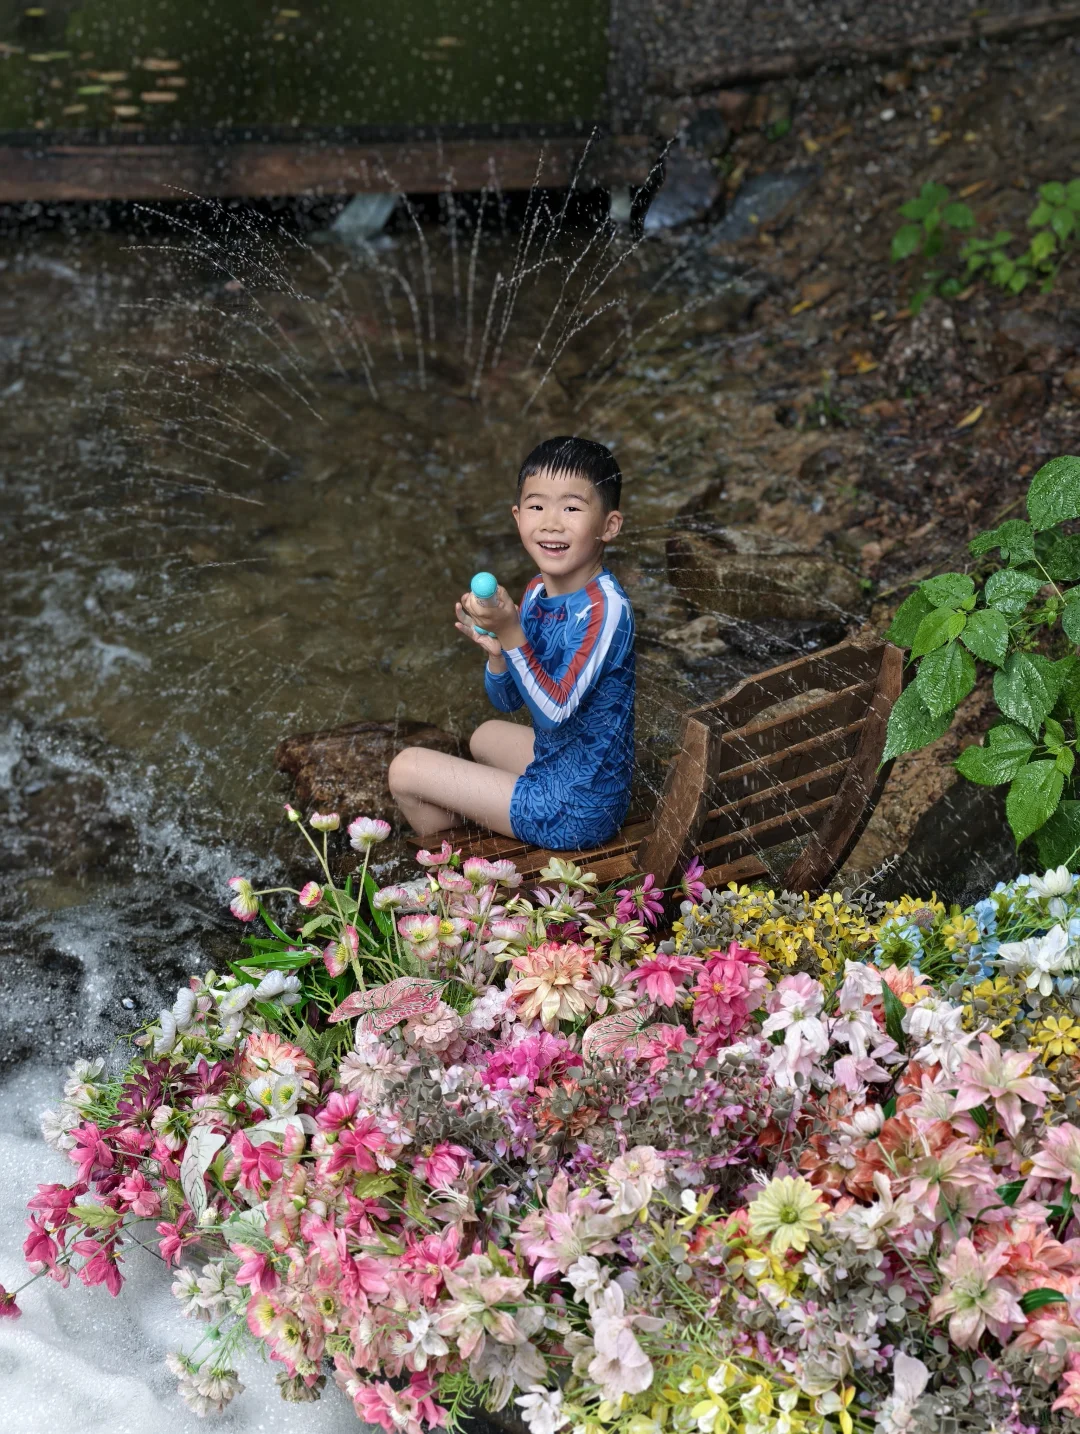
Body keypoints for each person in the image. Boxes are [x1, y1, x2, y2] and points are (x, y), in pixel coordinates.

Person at [388, 435, 635, 851]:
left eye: (572, 508)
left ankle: (462, 874)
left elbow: (554, 712)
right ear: (518, 516)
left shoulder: (606, 610)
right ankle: (487, 835)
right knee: (484, 734)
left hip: (580, 807)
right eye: (537, 506)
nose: (551, 522)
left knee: (405, 770)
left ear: (609, 525)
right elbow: (507, 702)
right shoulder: (540, 590)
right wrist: (498, 655)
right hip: (565, 768)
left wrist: (510, 630)